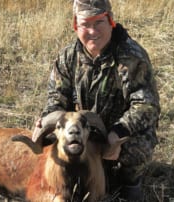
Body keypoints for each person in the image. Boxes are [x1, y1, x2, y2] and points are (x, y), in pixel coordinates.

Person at [33, 0, 160, 201]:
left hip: (116, 135)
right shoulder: (68, 57)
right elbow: (56, 96)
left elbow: (146, 105)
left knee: (140, 148)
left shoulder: (132, 57)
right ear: (76, 25)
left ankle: (129, 182)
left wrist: (118, 132)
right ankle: (73, 180)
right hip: (81, 131)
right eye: (85, 24)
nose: (92, 31)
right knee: (45, 143)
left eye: (98, 22)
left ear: (111, 21)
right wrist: (48, 118)